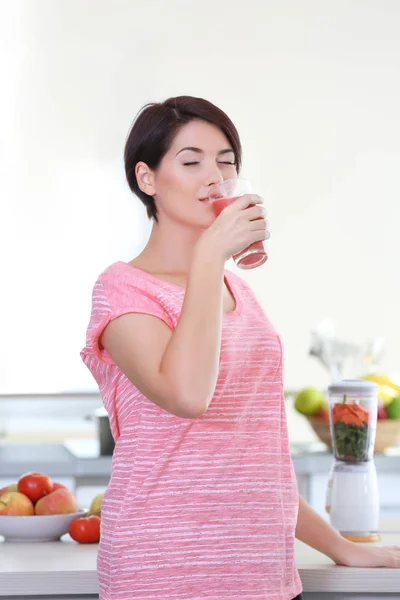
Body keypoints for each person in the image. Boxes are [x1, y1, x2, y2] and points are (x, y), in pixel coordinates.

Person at [81, 96, 400, 600]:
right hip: (164, 571)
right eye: (191, 161)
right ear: (147, 179)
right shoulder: (123, 290)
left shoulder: (238, 292)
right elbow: (187, 395)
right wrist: (209, 257)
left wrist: (341, 546)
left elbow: (253, 461)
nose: (215, 175)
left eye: (226, 161)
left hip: (264, 575)